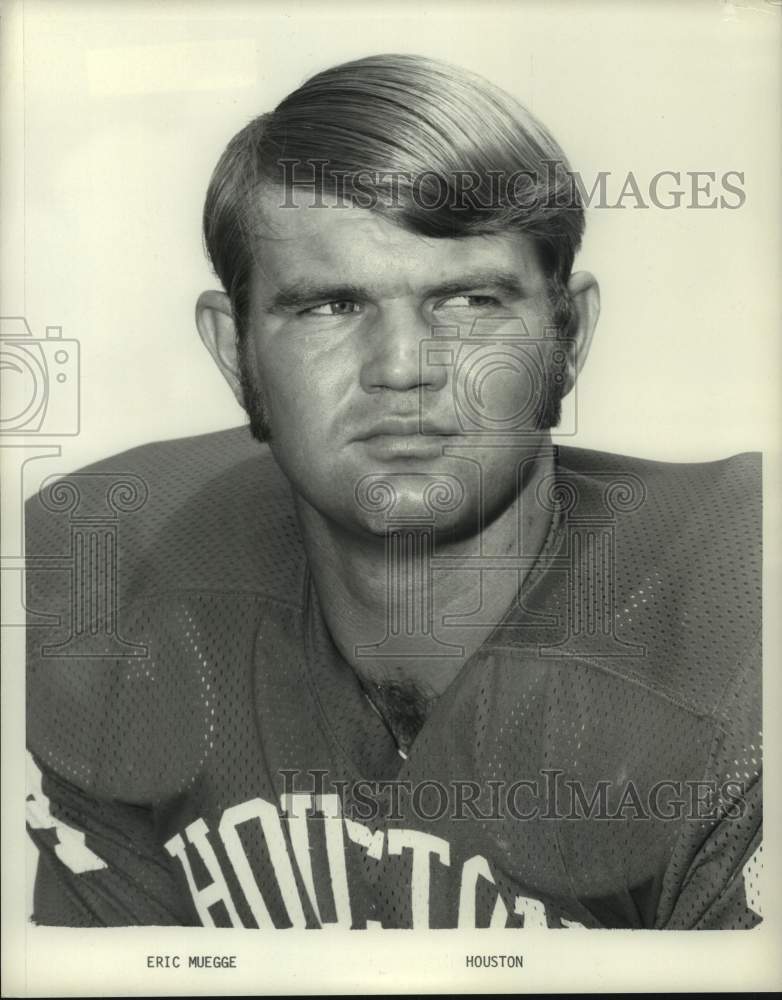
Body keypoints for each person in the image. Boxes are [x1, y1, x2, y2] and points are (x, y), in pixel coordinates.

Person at [25, 53, 761, 929]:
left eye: (471, 300)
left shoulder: (743, 617)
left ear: (568, 335)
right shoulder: (112, 571)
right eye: (330, 306)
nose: (404, 366)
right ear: (233, 349)